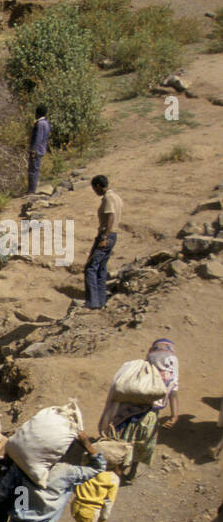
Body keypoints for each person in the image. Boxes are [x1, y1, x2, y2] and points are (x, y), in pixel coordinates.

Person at [98, 337, 179, 484]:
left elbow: (118, 386)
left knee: (124, 442)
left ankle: (118, 471)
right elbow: (173, 393)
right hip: (150, 417)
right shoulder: (170, 373)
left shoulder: (135, 368)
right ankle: (131, 471)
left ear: (149, 352)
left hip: (128, 413)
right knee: (141, 445)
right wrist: (175, 415)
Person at [84, 175, 122, 310]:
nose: (95, 191)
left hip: (106, 235)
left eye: (95, 188)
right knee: (101, 268)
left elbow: (111, 215)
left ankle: (92, 302)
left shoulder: (109, 198)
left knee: (90, 268)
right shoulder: (116, 197)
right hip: (113, 235)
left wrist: (104, 237)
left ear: (98, 186)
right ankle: (101, 301)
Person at [27, 105, 50, 195]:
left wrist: (33, 150)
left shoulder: (39, 124)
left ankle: (32, 190)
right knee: (35, 169)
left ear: (37, 113)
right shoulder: (46, 123)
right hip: (42, 149)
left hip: (37, 150)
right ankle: (32, 189)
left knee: (33, 170)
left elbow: (38, 138)